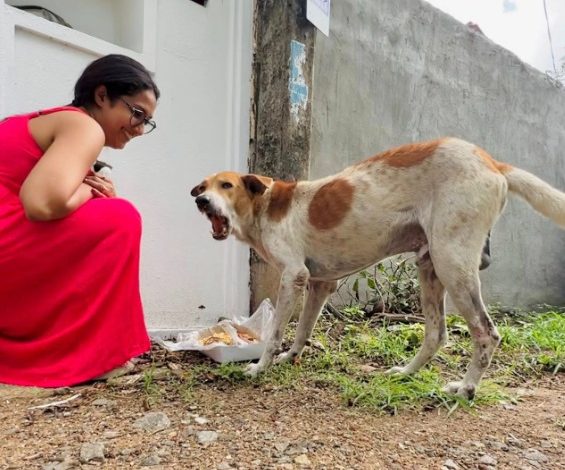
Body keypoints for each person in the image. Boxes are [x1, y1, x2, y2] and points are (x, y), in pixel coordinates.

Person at [0, 54, 160, 388]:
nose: (139, 129)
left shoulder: (49, 121)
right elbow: (41, 204)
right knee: (121, 218)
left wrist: (92, 194)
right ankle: (90, 355)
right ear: (101, 96)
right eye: (136, 113)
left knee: (108, 213)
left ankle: (66, 346)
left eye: (147, 121)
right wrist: (91, 192)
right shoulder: (84, 126)